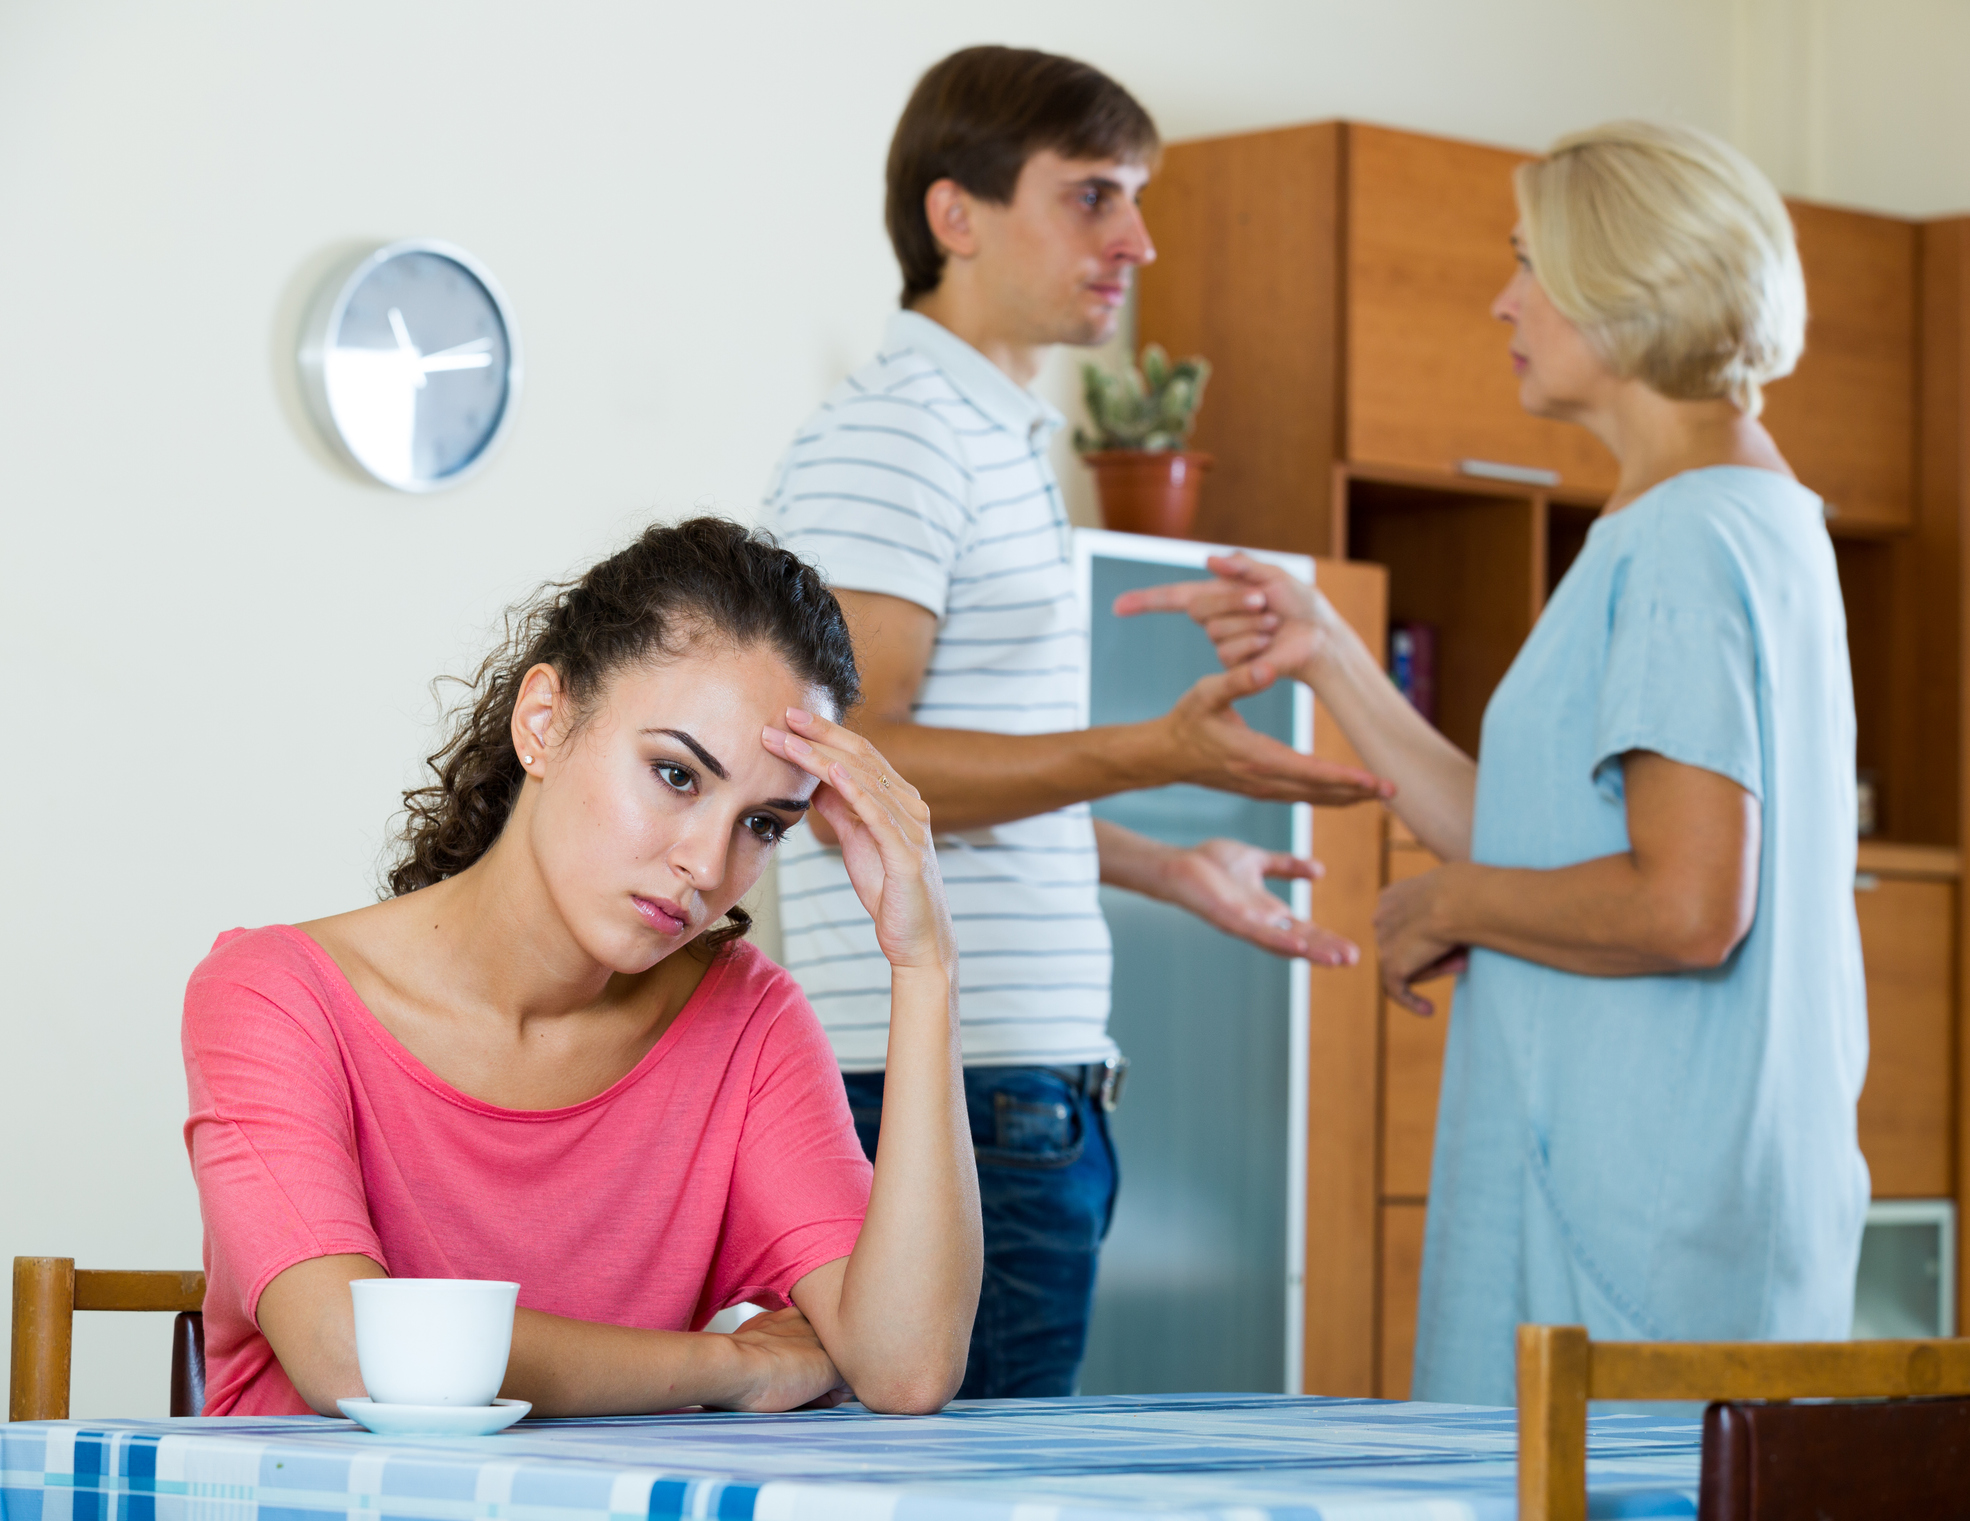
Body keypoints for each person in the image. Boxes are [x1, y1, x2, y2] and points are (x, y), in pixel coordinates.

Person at [1121, 121, 1868, 1404]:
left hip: (1632, 1223)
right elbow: (1530, 831)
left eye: (1529, 264)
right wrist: (1330, 659)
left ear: (1622, 284)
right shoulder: (1741, 518)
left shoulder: (1683, 544)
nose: (1501, 299)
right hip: (1669, 1202)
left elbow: (1687, 906)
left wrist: (1450, 906)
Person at [764, 44, 1391, 1399]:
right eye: (1095, 196)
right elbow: (845, 781)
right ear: (956, 214)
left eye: (1137, 199)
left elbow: (944, 795)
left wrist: (1166, 863)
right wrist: (1158, 755)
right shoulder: (901, 437)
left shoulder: (991, 436)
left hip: (1007, 1087)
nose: (1138, 240)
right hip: (950, 1094)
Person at [181, 518, 980, 1417]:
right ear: (544, 723)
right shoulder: (274, 995)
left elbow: (906, 1368)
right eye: (677, 775)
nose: (707, 866)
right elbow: (355, 1357)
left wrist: (925, 964)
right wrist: (737, 1366)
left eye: (764, 823)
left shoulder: (746, 1021)